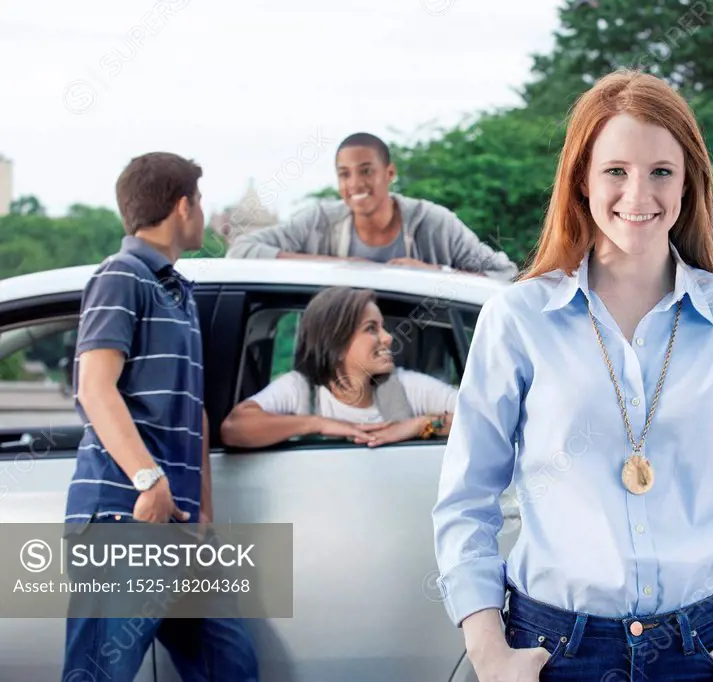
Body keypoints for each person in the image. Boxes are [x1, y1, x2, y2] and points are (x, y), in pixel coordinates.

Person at [432, 69, 713, 681]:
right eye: (615, 171)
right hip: (557, 650)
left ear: (690, 181)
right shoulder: (517, 318)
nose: (638, 194)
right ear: (582, 181)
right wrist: (490, 656)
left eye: (661, 172)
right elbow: (467, 501)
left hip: (710, 648)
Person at [63, 152, 259, 680]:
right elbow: (95, 387)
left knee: (231, 667)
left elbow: (192, 415)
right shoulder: (119, 276)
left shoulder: (179, 291)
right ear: (181, 206)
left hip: (178, 527)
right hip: (124, 517)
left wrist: (203, 519)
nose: (203, 213)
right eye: (199, 201)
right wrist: (148, 480)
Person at [225, 132, 519, 281]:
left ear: (389, 173)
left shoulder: (434, 223)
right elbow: (240, 249)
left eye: (366, 170)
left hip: (420, 376)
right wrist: (336, 265)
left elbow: (504, 275)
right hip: (337, 374)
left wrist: (433, 272)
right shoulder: (320, 222)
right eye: (344, 174)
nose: (355, 184)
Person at [220, 286, 457, 449]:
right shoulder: (299, 388)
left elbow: (482, 418)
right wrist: (319, 423)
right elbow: (234, 428)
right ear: (338, 343)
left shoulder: (407, 386)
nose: (388, 338)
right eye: (371, 329)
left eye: (382, 327)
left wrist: (419, 425)